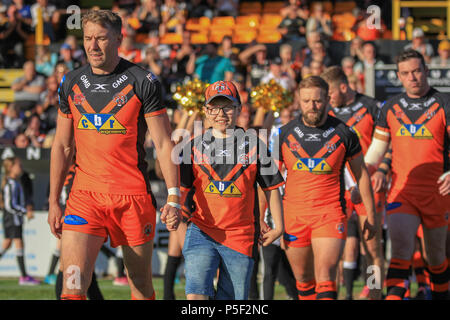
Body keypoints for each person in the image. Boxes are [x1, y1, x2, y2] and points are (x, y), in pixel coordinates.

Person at [48, 9, 181, 300]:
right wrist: (53, 200)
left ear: (119, 38)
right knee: (71, 289)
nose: (93, 46)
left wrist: (173, 196)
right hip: (84, 197)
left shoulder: (143, 80)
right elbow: (61, 146)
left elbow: (163, 143)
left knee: (141, 288)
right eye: (87, 39)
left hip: (132, 198)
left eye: (101, 38)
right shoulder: (71, 82)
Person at [179, 80, 285, 300]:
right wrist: (173, 208)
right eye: (214, 107)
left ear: (238, 109)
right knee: (195, 297)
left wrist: (279, 226)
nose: (221, 113)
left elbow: (272, 188)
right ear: (206, 111)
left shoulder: (255, 145)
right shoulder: (192, 146)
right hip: (202, 231)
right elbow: (182, 188)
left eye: (227, 106)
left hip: (241, 236)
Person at [275, 76, 377, 300]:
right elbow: (271, 181)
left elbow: (363, 172)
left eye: (318, 101)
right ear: (298, 101)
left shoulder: (353, 124)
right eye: (306, 101)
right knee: (304, 279)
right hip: (295, 215)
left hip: (333, 211)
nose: (312, 106)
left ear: (328, 99)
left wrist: (372, 213)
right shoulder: (284, 134)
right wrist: (268, 217)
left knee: (364, 257)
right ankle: (363, 289)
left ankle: (375, 290)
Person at [364, 49, 450, 300]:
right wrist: (359, 178)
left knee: (435, 257)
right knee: (401, 250)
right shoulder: (390, 107)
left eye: (416, 71)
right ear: (399, 77)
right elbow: (376, 151)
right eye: (405, 73)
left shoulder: (444, 102)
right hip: (402, 190)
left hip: (438, 192)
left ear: (426, 71)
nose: (412, 77)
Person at [321, 66, 385, 299]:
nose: (327, 100)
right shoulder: (328, 114)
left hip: (368, 186)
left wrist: (382, 171)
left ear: (344, 87)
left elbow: (388, 140)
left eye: (330, 94)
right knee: (334, 247)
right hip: (339, 189)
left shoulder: (371, 106)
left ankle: (374, 292)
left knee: (372, 247)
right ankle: (336, 293)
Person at [0, 157, 39, 285]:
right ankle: (24, 277)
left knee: (7, 244)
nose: (21, 167)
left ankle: (24, 276)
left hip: (14, 218)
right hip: (12, 218)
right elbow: (9, 205)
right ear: (11, 167)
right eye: (19, 165)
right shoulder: (10, 183)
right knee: (18, 244)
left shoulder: (16, 182)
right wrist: (24, 211)